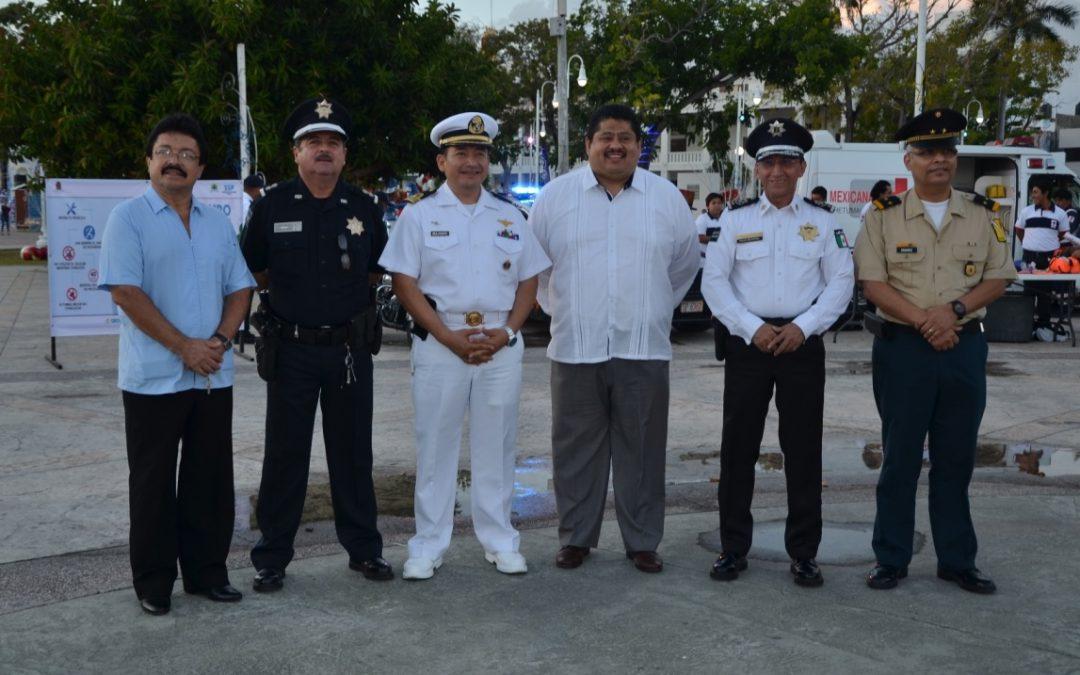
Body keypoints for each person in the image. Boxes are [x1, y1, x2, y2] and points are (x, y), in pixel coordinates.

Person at [379, 113, 551, 580]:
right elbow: (404, 282)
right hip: (441, 341)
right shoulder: (418, 215)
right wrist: (446, 335)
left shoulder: (510, 215)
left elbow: (529, 279)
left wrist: (511, 332)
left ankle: (499, 540)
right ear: (442, 161)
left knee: (497, 445)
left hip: (499, 341)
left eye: (479, 154)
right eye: (461, 153)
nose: (472, 162)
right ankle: (428, 545)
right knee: (435, 445)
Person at [98, 113, 255, 616]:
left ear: (201, 167)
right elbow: (126, 291)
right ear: (149, 161)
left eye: (187, 155)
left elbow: (240, 287)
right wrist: (184, 346)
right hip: (152, 379)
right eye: (165, 151)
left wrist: (218, 340)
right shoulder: (128, 218)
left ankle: (208, 573)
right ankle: (154, 581)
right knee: (153, 482)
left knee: (209, 480)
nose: (175, 161)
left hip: (212, 374)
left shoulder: (216, 223)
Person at [530, 104, 699, 574]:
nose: (616, 145)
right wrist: (562, 309)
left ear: (639, 148)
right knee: (574, 449)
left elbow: (683, 266)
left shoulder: (665, 199)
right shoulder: (555, 198)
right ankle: (576, 538)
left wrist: (653, 309)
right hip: (574, 348)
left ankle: (642, 540)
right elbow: (537, 269)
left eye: (626, 137)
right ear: (587, 145)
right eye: (605, 136)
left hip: (642, 348)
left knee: (642, 449)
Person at [853, 108, 1016, 594]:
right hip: (904, 349)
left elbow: (1000, 275)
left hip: (964, 349)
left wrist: (955, 311)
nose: (938, 159)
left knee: (956, 458)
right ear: (909, 160)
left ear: (955, 156)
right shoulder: (883, 218)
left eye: (946, 149)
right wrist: (927, 319)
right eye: (927, 151)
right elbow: (872, 282)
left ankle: (957, 560)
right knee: (900, 457)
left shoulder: (983, 215)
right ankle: (891, 558)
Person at [240, 97, 392, 591]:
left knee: (353, 455)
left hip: (348, 350)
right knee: (285, 456)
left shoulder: (365, 207)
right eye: (313, 142)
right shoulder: (271, 207)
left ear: (344, 155)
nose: (323, 150)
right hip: (292, 351)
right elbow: (254, 268)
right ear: (296, 153)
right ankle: (272, 556)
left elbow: (374, 271)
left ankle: (364, 550)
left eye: (332, 142)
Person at [701, 118, 853, 587]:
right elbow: (714, 281)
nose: (778, 171)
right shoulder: (735, 219)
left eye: (787, 161)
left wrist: (803, 328)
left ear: (802, 167)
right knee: (738, 450)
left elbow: (841, 283)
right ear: (758, 169)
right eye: (769, 162)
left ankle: (804, 553)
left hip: (801, 347)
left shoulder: (824, 223)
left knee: (803, 451)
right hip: (750, 345)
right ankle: (732, 548)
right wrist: (751, 328)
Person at [1015, 181, 1070, 341]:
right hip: (1029, 256)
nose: (1033, 195)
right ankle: (1027, 324)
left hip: (1049, 258)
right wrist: (1029, 243)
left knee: (1045, 293)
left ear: (1045, 193)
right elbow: (1019, 230)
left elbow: (1063, 234)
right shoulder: (1027, 211)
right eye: (1033, 192)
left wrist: (1048, 243)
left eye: (1036, 192)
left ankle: (1043, 325)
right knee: (1028, 292)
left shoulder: (1060, 213)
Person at [695, 192, 725, 263]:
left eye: (719, 203)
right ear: (707, 206)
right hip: (705, 261)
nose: (717, 205)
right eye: (713, 203)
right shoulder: (702, 219)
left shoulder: (726, 218)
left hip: (721, 260)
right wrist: (718, 238)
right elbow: (699, 238)